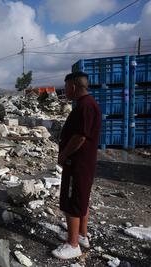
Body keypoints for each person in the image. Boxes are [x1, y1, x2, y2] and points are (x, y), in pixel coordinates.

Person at [52, 71, 101, 260]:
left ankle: (72, 245)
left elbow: (80, 136)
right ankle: (81, 235)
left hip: (77, 162)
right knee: (81, 198)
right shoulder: (87, 104)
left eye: (66, 87)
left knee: (72, 202)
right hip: (84, 163)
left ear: (73, 86)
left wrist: (64, 154)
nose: (65, 91)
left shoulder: (85, 106)